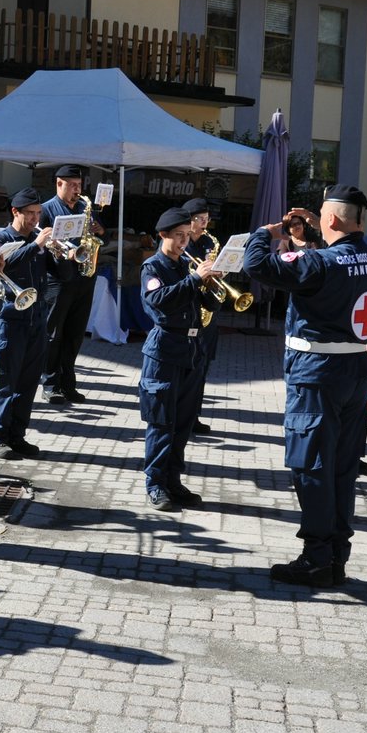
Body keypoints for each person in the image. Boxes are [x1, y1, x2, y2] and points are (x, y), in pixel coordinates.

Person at [243, 185, 367, 586]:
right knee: (343, 470)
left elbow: (257, 266)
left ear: (330, 220)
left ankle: (316, 558)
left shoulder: (320, 263)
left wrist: (266, 234)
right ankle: (337, 556)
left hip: (315, 375)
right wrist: (310, 242)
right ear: (361, 219)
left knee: (311, 466)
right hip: (356, 372)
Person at [137, 208, 215, 509]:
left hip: (193, 351)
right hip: (164, 350)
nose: (185, 242)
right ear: (163, 235)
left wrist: (211, 285)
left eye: (187, 236)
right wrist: (195, 280)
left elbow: (207, 305)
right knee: (161, 422)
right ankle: (155, 484)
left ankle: (173, 480)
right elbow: (158, 303)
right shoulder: (152, 267)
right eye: (179, 236)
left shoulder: (186, 265)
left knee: (183, 423)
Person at [0, 188, 56, 460]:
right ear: (15, 212)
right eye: (30, 214)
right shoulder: (1, 237)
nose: (35, 219)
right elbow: (2, 265)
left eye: (38, 214)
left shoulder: (37, 241)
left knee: (28, 383)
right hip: (10, 320)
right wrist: (36, 244)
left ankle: (17, 435)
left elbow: (61, 274)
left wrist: (64, 255)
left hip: (37, 319)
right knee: (6, 382)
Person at [39, 164, 103, 405]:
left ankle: (68, 384)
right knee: (54, 334)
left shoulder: (84, 207)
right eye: (73, 185)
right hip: (58, 280)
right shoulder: (46, 210)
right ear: (59, 184)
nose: (78, 190)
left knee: (75, 335)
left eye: (79, 185)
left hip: (83, 278)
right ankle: (50, 383)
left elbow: (94, 237)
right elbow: (40, 246)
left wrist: (97, 229)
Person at [180, 197, 220, 436]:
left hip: (207, 312)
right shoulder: (180, 240)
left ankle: (194, 415)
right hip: (187, 308)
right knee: (185, 367)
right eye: (200, 219)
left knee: (202, 367)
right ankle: (178, 415)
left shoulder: (210, 242)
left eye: (207, 219)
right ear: (189, 220)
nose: (205, 223)